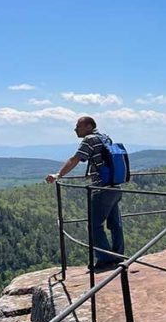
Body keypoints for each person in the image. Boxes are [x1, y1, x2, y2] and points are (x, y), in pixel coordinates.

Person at [45, 116, 125, 271]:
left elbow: (75, 159)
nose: (75, 129)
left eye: (78, 126)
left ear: (89, 126)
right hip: (115, 186)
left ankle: (105, 259)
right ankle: (118, 256)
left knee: (95, 226)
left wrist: (58, 175)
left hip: (101, 188)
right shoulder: (105, 138)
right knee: (115, 224)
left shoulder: (89, 139)